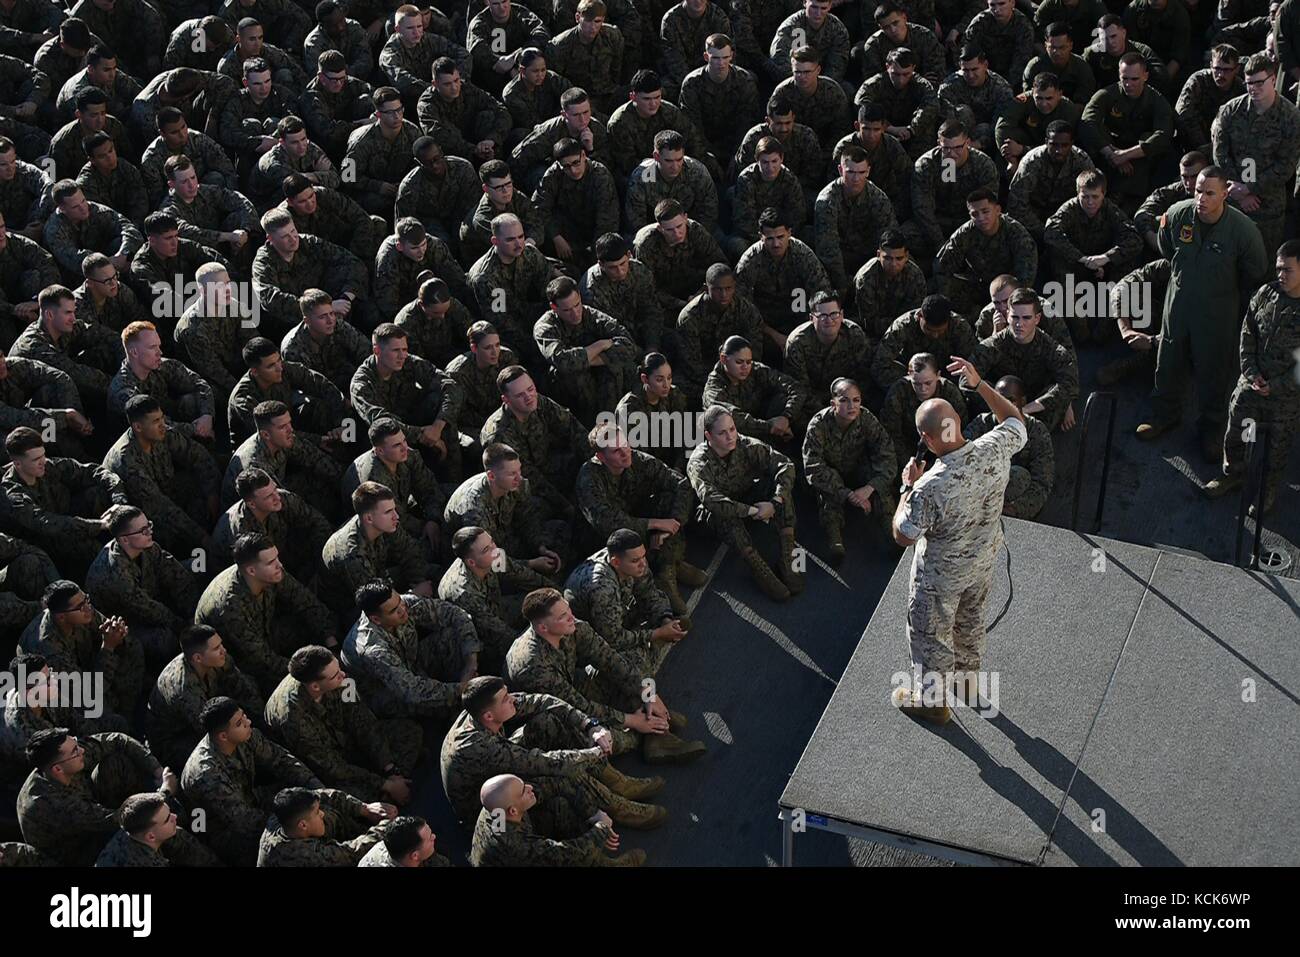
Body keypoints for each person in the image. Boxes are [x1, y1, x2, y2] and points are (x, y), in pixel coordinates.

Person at [890, 353, 1028, 724]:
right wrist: (980, 384)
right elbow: (1016, 420)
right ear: (958, 424)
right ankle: (967, 682)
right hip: (983, 561)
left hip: (940, 577)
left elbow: (903, 535)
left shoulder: (930, 486)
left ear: (925, 438)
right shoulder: (994, 448)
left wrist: (907, 487)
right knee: (970, 620)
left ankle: (933, 701)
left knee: (930, 634)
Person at [1138, 166, 1268, 462]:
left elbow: (1255, 270)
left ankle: (1211, 428)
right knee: (1168, 360)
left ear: (1225, 194)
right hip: (1179, 304)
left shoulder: (1243, 230)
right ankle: (1164, 414)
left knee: (1214, 370)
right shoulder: (1177, 214)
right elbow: (1167, 247)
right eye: (1198, 191)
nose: (1202, 198)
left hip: (1217, 311)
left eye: (1210, 193)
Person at [1203, 239, 1300, 516]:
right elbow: (1248, 334)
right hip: (1252, 387)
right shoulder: (1265, 295)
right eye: (1279, 268)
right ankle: (1234, 473)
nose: (1280, 275)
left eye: (1288, 270)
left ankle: (1266, 491)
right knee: (1239, 432)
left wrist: (1278, 385)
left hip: (1285, 398)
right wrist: (1251, 373)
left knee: (1276, 448)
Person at [264, 644, 420, 804]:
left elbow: (363, 722)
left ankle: (395, 785)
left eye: (339, 668)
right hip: (320, 761)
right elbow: (331, 767)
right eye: (335, 675)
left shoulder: (341, 678)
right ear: (316, 686)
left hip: (344, 739)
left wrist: (389, 769)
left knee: (409, 732)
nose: (343, 675)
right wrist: (384, 784)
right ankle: (390, 792)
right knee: (350, 798)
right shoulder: (292, 717)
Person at [687, 404, 802, 601]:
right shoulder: (698, 463)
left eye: (732, 429)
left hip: (746, 495)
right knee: (722, 513)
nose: (731, 436)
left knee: (780, 490)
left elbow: (785, 465)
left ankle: (789, 556)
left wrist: (775, 502)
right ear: (708, 435)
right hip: (718, 513)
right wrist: (752, 511)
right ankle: (758, 567)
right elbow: (712, 500)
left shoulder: (745, 444)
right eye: (722, 433)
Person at [341, 579, 480, 721]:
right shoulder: (373, 650)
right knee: (442, 707)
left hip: (411, 663)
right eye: (394, 610)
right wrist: (460, 689)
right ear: (376, 620)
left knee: (452, 636)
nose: (403, 609)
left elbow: (455, 614)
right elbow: (411, 691)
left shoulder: (400, 604)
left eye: (400, 601)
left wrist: (471, 663)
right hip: (387, 691)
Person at [147, 624, 265, 773]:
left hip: (207, 709)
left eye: (220, 644)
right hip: (177, 737)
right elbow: (211, 731)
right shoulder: (183, 688)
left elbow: (242, 687)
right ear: (198, 658)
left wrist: (261, 718)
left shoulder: (217, 657)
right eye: (216, 648)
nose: (224, 650)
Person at [803, 377, 896, 560]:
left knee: (879, 484)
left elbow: (886, 455)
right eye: (844, 400)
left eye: (856, 400)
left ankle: (892, 530)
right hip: (832, 472)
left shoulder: (866, 418)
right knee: (827, 489)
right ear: (833, 403)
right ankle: (835, 538)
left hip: (857, 468)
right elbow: (813, 467)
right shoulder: (818, 425)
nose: (851, 406)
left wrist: (870, 488)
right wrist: (848, 495)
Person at [471, 772, 644, 865]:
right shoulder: (516, 846)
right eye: (524, 790)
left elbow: (551, 784)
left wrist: (593, 813)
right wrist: (601, 829)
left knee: (558, 805)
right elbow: (566, 853)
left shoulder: (497, 809)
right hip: (518, 859)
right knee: (577, 856)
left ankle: (593, 850)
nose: (530, 788)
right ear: (513, 811)